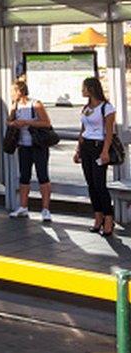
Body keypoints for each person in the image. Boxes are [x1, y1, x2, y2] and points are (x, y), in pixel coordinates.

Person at [73, 77, 117, 237]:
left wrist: (105, 151)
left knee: (100, 184)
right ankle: (97, 216)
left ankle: (108, 218)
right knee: (91, 184)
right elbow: (83, 129)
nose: (82, 91)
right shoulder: (86, 108)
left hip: (99, 146)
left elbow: (109, 132)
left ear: (91, 89)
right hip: (86, 147)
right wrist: (78, 149)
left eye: (84, 88)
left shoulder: (107, 107)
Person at [6, 80, 53, 222]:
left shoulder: (35, 104)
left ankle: (45, 209)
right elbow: (9, 121)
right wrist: (14, 123)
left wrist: (27, 122)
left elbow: (46, 123)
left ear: (20, 91)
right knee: (24, 176)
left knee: (42, 175)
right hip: (23, 145)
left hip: (38, 145)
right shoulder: (15, 106)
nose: (11, 94)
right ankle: (23, 206)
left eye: (13, 91)